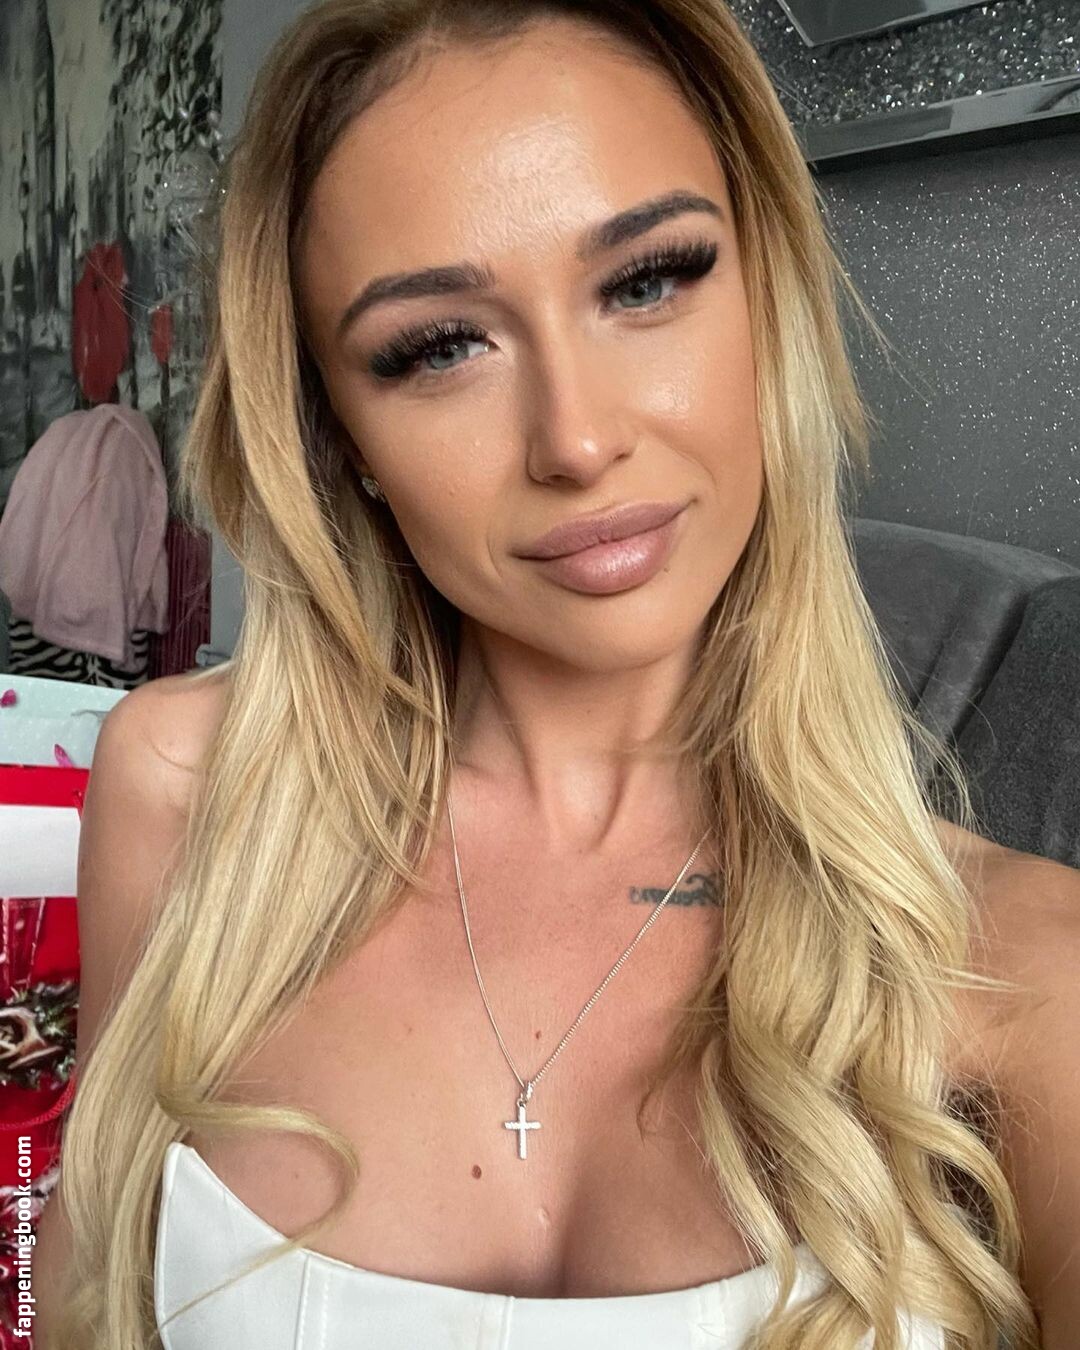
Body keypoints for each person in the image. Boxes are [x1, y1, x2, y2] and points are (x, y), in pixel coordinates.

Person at [35, 2, 1080, 1347]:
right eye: (437, 347)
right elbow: (88, 1294)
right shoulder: (183, 797)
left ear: (765, 302)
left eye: (647, 282)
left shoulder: (1029, 975)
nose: (577, 442)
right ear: (334, 432)